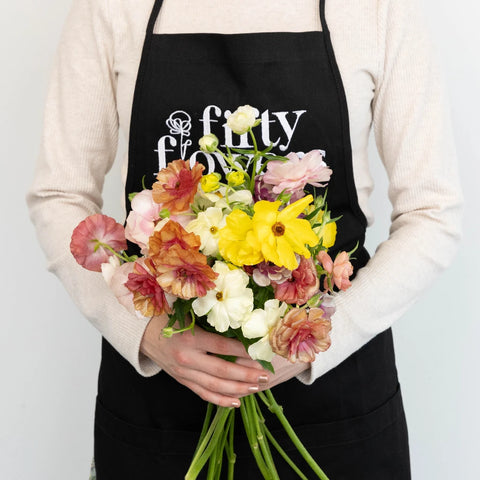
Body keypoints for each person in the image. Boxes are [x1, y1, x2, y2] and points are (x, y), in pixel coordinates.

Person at [27, 0, 462, 478]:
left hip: (334, 401)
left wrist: (313, 342)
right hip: (160, 402)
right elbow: (60, 194)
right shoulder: (111, 9)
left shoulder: (376, 9)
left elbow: (431, 212)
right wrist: (145, 335)